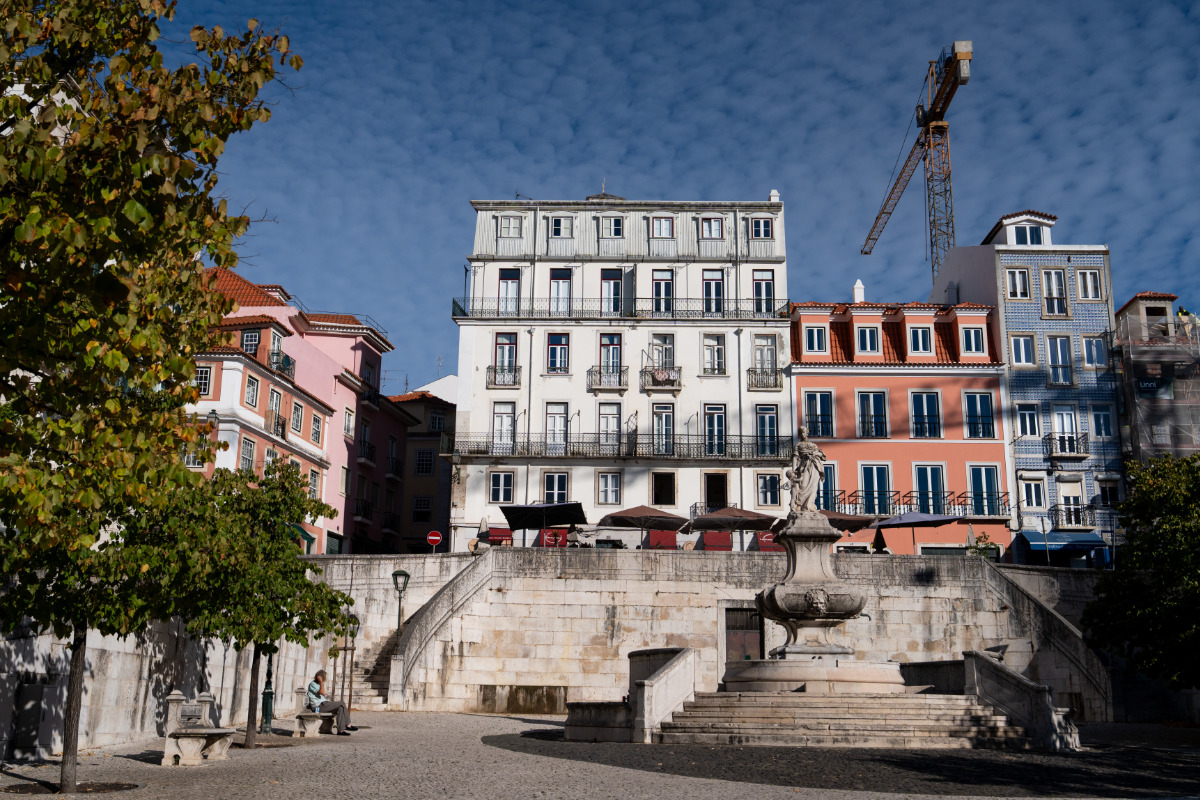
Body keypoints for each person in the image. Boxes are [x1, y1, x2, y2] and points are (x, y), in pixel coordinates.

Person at [307, 669, 354, 734]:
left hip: (324, 704)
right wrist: (320, 683)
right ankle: (348, 725)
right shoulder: (313, 684)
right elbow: (322, 692)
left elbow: (323, 694)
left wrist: (321, 684)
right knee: (342, 703)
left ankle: (340, 730)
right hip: (319, 706)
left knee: (340, 708)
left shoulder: (319, 684)